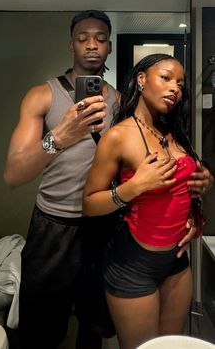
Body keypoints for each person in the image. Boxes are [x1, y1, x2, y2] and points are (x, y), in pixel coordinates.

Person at [3, 12, 212, 349]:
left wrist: (191, 192)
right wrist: (58, 137)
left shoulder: (121, 104)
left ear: (110, 47)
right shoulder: (42, 95)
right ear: (70, 44)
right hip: (55, 224)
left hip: (106, 226)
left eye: (100, 38)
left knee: (96, 326)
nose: (91, 44)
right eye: (83, 37)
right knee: (41, 326)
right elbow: (14, 174)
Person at [83, 53, 213, 349]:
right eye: (166, 78)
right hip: (133, 264)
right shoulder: (118, 136)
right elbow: (89, 204)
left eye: (180, 84)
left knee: (169, 345)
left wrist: (202, 190)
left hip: (177, 264)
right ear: (141, 80)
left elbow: (183, 187)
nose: (175, 89)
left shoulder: (175, 133)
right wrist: (135, 186)